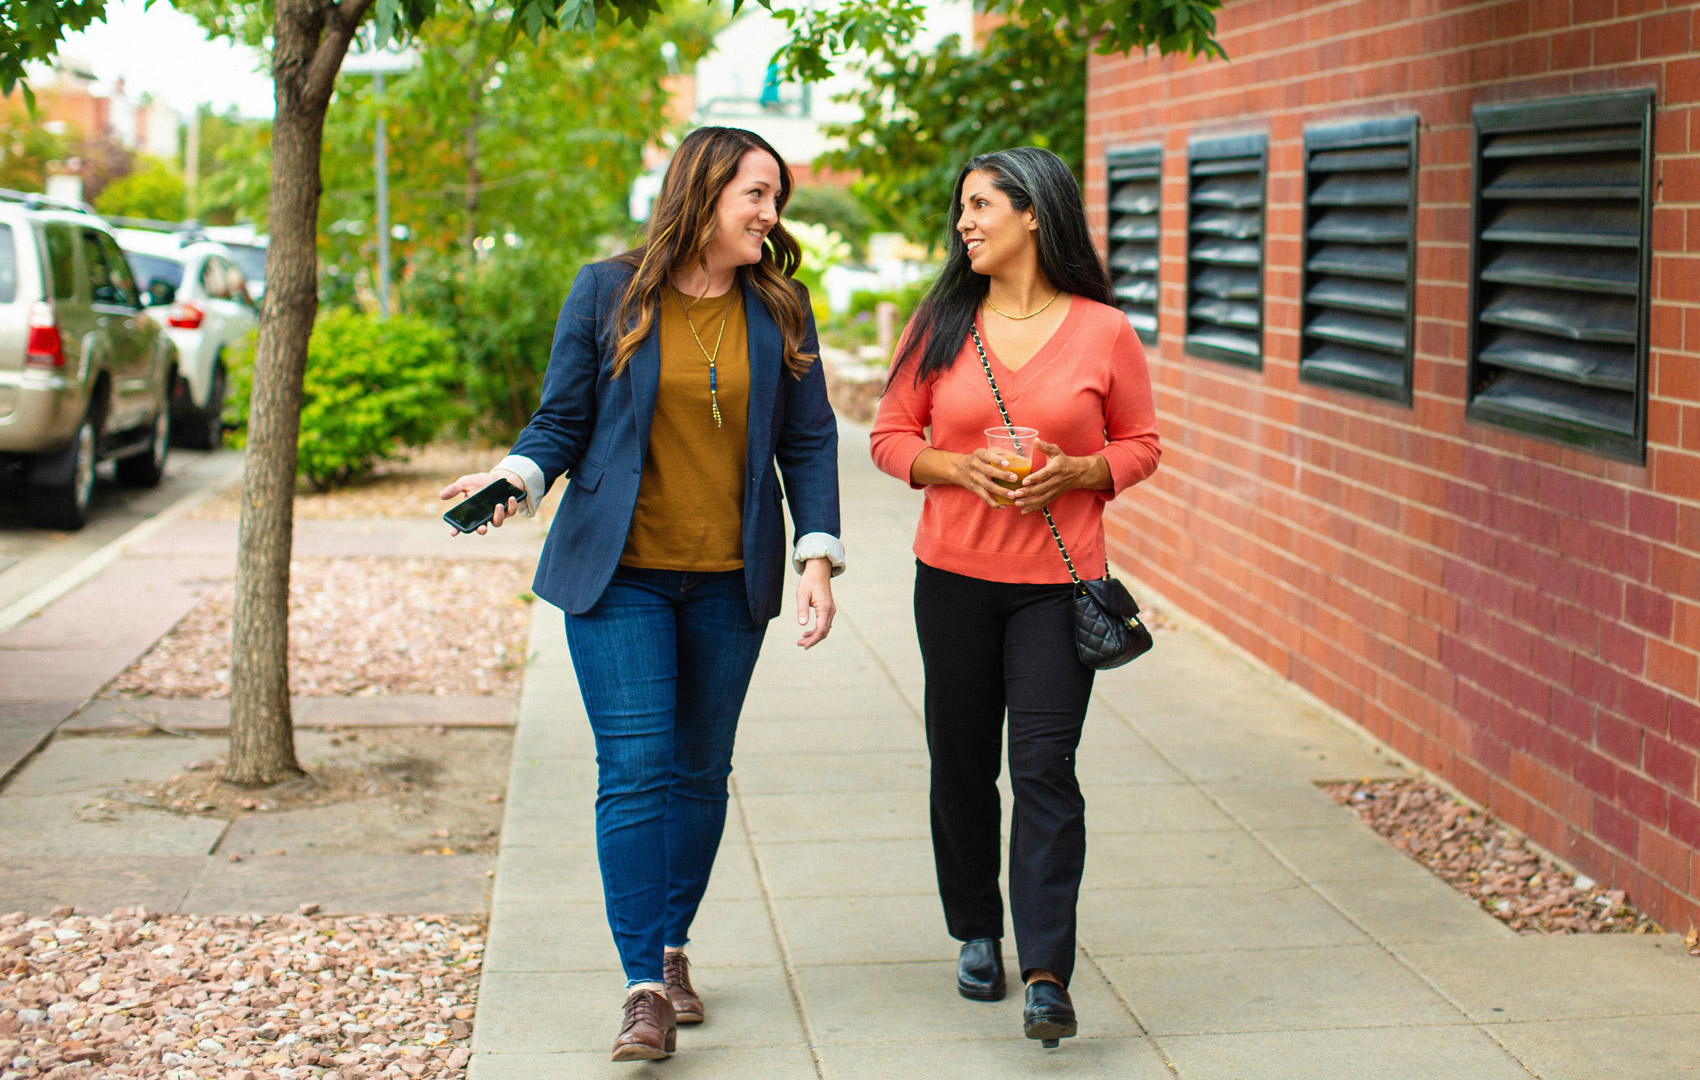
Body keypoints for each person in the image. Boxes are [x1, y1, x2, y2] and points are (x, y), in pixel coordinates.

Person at [441, 126, 843, 1063]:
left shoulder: (780, 305)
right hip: (617, 575)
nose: (770, 214)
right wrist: (513, 482)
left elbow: (812, 440)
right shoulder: (607, 290)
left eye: (775, 198)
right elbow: (562, 419)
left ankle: (672, 943)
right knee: (634, 769)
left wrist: (816, 555)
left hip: (728, 579)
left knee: (701, 773)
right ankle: (644, 988)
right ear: (704, 192)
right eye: (757, 194)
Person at [868, 147, 1159, 1047]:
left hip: (1054, 590)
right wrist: (957, 467)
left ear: (1035, 213)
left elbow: (1143, 442)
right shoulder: (942, 322)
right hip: (952, 581)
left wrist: (1081, 470)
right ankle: (974, 931)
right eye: (962, 208)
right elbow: (888, 436)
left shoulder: (1105, 331)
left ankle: (1046, 973)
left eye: (981, 205)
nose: (965, 222)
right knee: (960, 765)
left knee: (1043, 770)